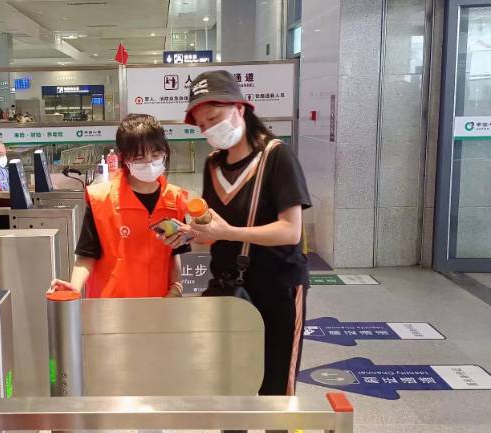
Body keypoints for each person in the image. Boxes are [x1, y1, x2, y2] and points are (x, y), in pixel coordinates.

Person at [169, 70, 311, 401]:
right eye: (201, 125)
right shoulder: (213, 165)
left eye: (213, 118)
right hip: (227, 288)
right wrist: (193, 233)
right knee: (228, 383)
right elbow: (213, 230)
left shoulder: (277, 157)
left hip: (277, 287)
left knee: (274, 386)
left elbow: (290, 231)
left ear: (240, 108)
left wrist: (228, 232)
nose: (208, 129)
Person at [49, 114, 190, 298]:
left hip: (159, 303)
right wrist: (74, 287)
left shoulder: (175, 200)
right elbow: (87, 255)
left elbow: (174, 254)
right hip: (111, 305)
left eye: (156, 155)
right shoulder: (101, 199)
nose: (149, 163)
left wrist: (177, 286)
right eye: (139, 157)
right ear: (124, 158)